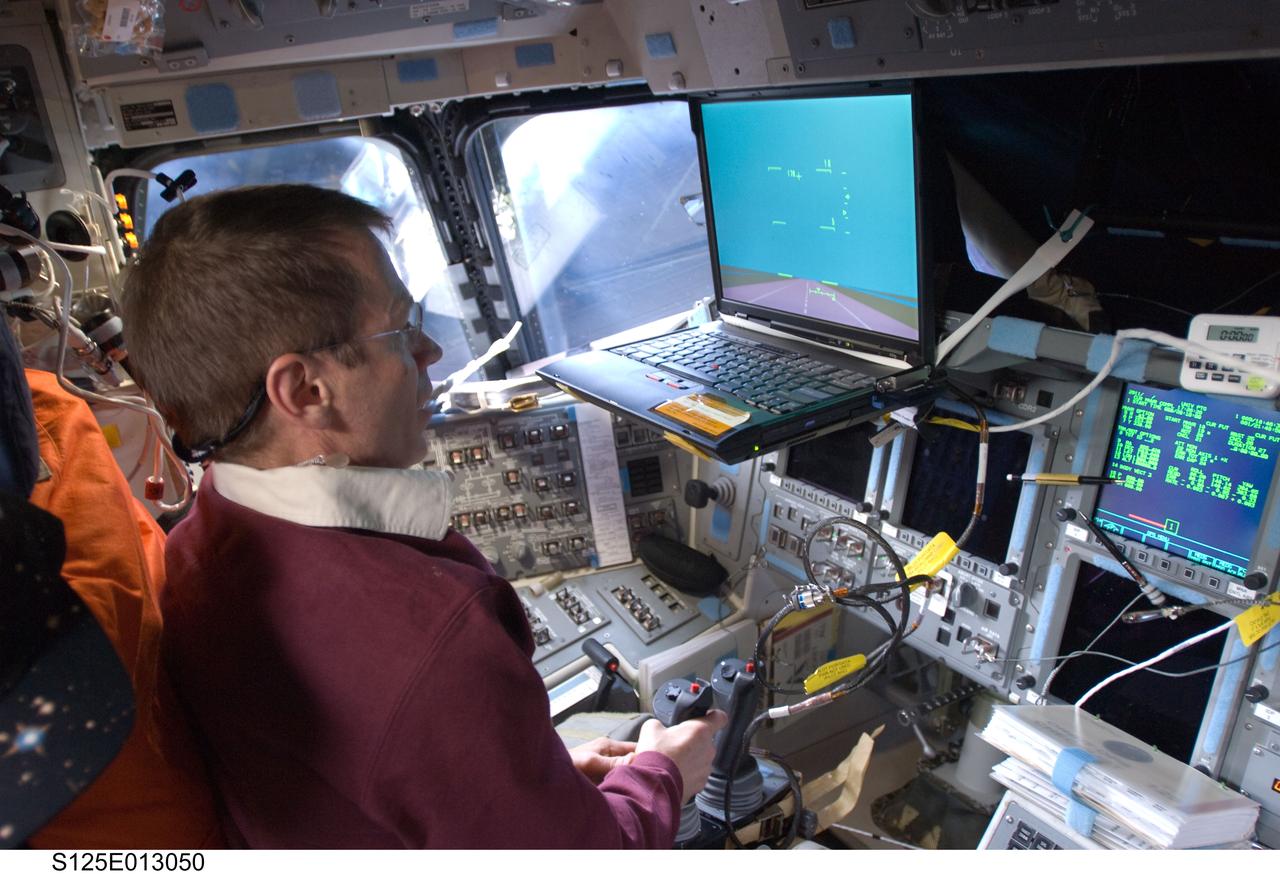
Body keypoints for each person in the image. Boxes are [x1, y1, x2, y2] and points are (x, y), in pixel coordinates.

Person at [120, 184, 724, 848]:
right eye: (401, 329)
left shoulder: (198, 538)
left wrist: (527, 779)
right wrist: (665, 775)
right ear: (304, 391)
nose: (430, 351)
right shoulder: (433, 644)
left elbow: (366, 780)